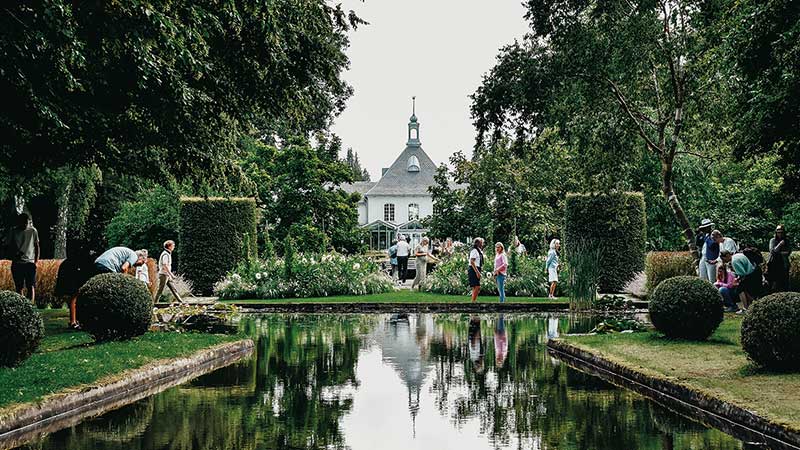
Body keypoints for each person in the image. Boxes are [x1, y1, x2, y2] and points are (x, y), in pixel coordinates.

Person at [55, 238, 96, 329]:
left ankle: (75, 320)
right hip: (71, 274)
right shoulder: (83, 259)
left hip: (70, 272)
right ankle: (73, 321)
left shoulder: (75, 258)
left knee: (74, 297)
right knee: (74, 297)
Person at [6, 213, 40, 303]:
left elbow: (37, 246)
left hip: (30, 262)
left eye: (26, 223)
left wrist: (36, 261)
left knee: (31, 285)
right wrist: (14, 253)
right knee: (19, 286)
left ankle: (31, 305)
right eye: (23, 223)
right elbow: (8, 246)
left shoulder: (33, 231)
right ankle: (22, 305)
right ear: (19, 222)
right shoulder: (13, 231)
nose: (25, 225)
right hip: (17, 262)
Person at [154, 240, 183, 304]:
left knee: (173, 288)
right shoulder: (165, 254)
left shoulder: (167, 254)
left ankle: (181, 302)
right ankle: (155, 303)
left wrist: (169, 275)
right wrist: (171, 274)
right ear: (169, 246)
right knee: (160, 290)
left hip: (166, 275)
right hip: (163, 275)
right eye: (173, 245)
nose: (174, 247)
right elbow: (165, 265)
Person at [767, 225, 792, 292]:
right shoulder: (772, 240)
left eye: (781, 232)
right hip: (774, 264)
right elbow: (772, 251)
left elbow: (788, 252)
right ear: (776, 232)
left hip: (784, 264)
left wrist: (778, 253)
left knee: (784, 283)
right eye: (778, 232)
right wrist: (780, 244)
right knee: (773, 283)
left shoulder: (787, 241)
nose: (780, 234)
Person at [468, 238, 484, 303]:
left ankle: (473, 301)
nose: (482, 244)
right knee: (477, 286)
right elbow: (472, 262)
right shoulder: (474, 251)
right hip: (473, 269)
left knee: (475, 287)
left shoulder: (479, 251)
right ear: (478, 243)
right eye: (481, 242)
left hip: (476, 268)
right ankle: (473, 301)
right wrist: (477, 272)